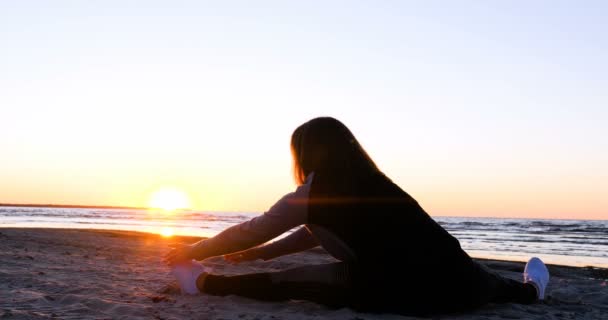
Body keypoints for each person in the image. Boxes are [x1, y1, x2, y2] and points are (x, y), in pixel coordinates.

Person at [164, 117, 549, 316]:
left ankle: (203, 283)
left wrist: (194, 248)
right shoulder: (377, 185)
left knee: (291, 283)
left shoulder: (312, 194)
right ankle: (532, 289)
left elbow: (253, 230)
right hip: (464, 284)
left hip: (401, 291)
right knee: (493, 284)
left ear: (305, 153)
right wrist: (260, 253)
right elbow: (318, 232)